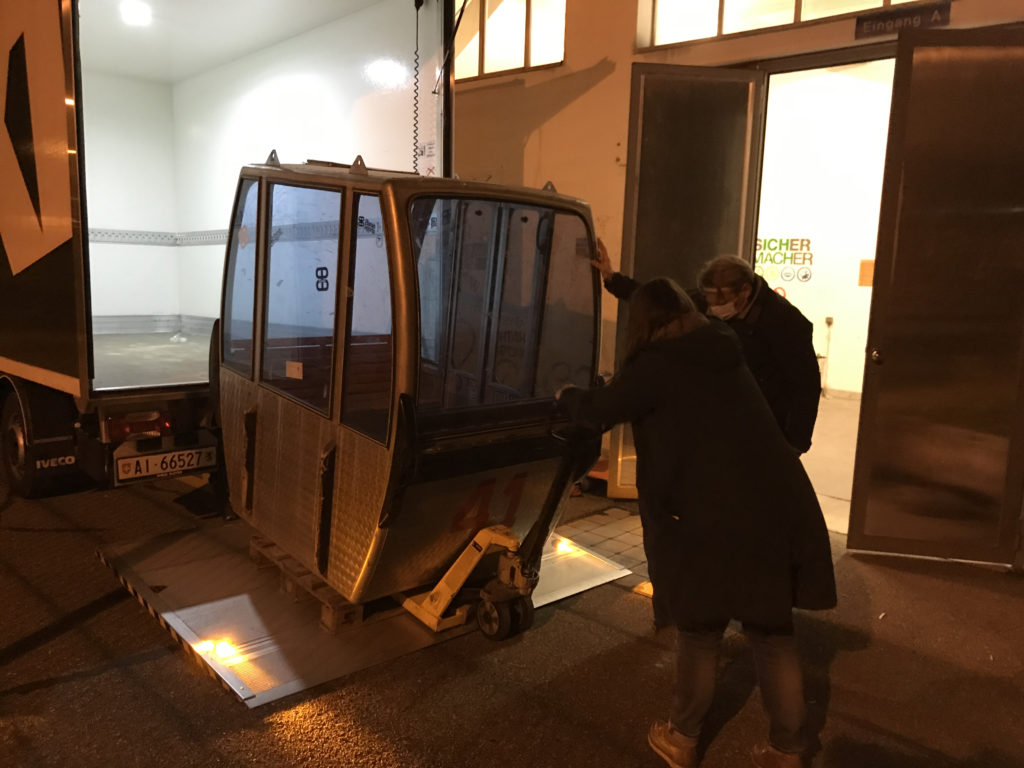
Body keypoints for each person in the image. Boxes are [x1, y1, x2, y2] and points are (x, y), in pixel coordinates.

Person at [556, 278, 836, 768]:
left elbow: (601, 410)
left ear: (644, 324)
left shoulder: (655, 365)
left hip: (710, 519)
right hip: (773, 506)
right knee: (771, 631)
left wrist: (566, 395)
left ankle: (682, 738)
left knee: (700, 630)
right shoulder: (722, 347)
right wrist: (617, 279)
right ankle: (789, 748)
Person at [592, 241, 821, 454]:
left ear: (745, 291)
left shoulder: (785, 322)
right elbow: (660, 304)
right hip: (720, 419)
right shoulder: (707, 299)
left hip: (764, 424)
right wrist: (612, 278)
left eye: (721, 299)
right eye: (709, 298)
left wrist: (795, 443)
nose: (713, 307)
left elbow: (806, 386)